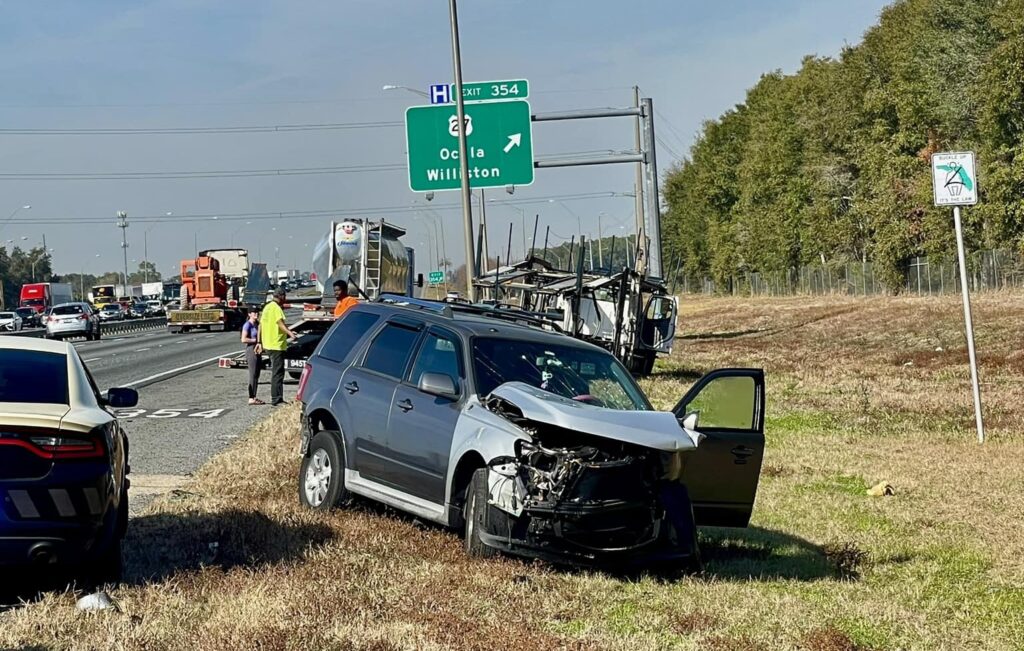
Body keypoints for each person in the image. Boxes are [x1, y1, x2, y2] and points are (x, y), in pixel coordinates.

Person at [260, 288, 298, 406]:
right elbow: (280, 323)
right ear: (281, 296)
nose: (285, 299)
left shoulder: (267, 307)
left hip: (268, 343)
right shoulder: (276, 308)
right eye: (284, 297)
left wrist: (259, 342)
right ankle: (277, 399)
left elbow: (261, 325)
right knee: (278, 373)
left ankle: (276, 397)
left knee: (276, 372)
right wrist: (290, 334)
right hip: (276, 344)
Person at [240, 310, 264, 405]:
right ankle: (251, 397)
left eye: (257, 312)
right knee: (253, 374)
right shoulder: (247, 325)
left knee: (257, 374)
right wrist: (256, 340)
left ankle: (254, 396)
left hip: (258, 349)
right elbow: (243, 339)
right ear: (249, 314)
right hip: (251, 349)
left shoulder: (257, 324)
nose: (256, 314)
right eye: (253, 313)